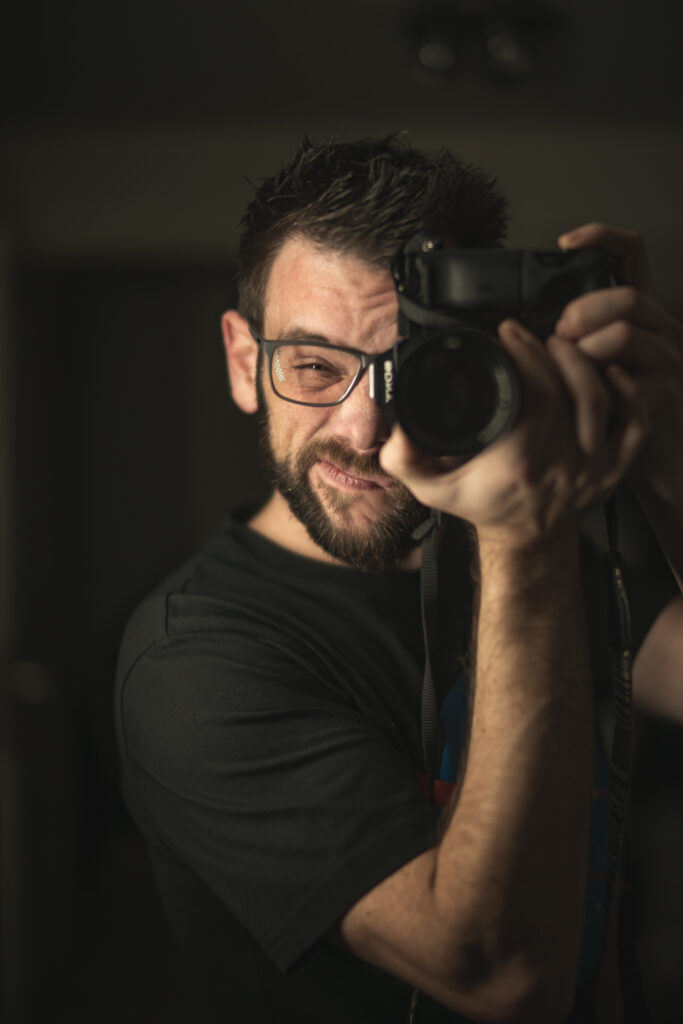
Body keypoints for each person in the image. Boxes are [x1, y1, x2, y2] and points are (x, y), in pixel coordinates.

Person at [114, 136, 683, 1023]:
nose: (364, 426)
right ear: (241, 363)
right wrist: (523, 536)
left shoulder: (514, 555)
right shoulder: (193, 663)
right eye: (313, 366)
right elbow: (497, 977)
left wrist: (667, 463)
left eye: (409, 364)